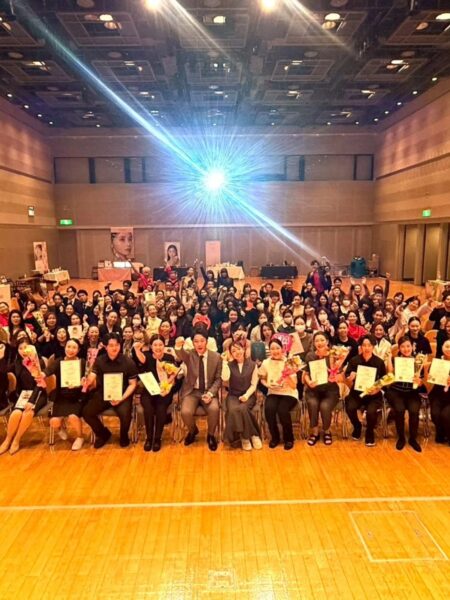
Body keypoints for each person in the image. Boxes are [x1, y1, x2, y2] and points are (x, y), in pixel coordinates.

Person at [82, 333, 138, 448]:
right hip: (104, 393)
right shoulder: (99, 360)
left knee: (125, 415)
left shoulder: (128, 362)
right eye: (111, 345)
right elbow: (92, 375)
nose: (114, 348)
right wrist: (87, 381)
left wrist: (121, 398)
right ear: (105, 347)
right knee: (87, 412)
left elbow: (133, 384)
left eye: (117, 345)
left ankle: (124, 436)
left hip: (122, 394)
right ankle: (103, 434)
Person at [174, 331, 222, 451]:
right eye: (196, 341)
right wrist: (178, 345)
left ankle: (211, 435)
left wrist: (210, 393)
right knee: (185, 412)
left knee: (214, 409)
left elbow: (218, 379)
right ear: (192, 343)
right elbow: (180, 353)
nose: (199, 344)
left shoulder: (216, 357)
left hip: (208, 390)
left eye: (202, 341)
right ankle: (192, 431)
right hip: (192, 391)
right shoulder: (190, 354)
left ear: (207, 341)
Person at [0, 340, 47, 455]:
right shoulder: (18, 363)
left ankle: (16, 440)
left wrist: (31, 401)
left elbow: (39, 384)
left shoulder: (38, 362)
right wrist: (1, 358)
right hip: (23, 394)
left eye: (25, 347)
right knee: (16, 413)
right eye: (20, 348)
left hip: (38, 394)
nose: (23, 351)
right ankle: (8, 440)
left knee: (28, 412)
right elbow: (4, 372)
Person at [134, 334, 179, 452]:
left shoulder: (169, 357)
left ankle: (158, 438)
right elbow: (141, 359)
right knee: (148, 409)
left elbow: (173, 375)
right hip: (149, 390)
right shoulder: (147, 356)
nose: (158, 347)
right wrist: (137, 349)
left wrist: (166, 385)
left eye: (160, 345)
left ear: (164, 345)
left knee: (161, 408)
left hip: (165, 390)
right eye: (155, 345)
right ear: (151, 346)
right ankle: (149, 438)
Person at [44, 339, 86, 450]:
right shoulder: (59, 361)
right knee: (54, 421)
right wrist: (41, 374)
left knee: (73, 417)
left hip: (77, 397)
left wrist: (83, 382)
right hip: (61, 397)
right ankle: (60, 429)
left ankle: (80, 437)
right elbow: (48, 370)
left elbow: (88, 379)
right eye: (68, 347)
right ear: (65, 347)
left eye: (74, 347)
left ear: (78, 350)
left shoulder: (82, 362)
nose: (70, 350)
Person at [345, 335, 387, 446]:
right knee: (349, 407)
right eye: (364, 345)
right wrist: (350, 377)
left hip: (373, 395)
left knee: (371, 411)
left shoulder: (379, 362)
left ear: (373, 347)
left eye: (369, 345)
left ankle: (369, 431)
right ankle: (357, 426)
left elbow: (383, 379)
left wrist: (377, 389)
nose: (367, 348)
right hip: (357, 393)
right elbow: (347, 377)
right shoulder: (354, 360)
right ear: (361, 347)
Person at [385, 336, 424, 452]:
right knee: (399, 409)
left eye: (408, 346)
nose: (406, 349)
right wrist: (389, 359)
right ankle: (401, 437)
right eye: (402, 346)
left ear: (413, 347)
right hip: (396, 392)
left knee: (414, 411)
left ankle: (413, 438)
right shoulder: (395, 360)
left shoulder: (418, 361)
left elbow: (422, 381)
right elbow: (389, 377)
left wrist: (419, 382)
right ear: (399, 348)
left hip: (412, 393)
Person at [258, 338, 298, 450]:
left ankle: (289, 438)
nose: (275, 351)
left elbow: (294, 386)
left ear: (282, 349)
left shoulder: (289, 362)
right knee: (269, 409)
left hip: (289, 393)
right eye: (272, 349)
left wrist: (287, 375)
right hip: (273, 391)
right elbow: (262, 378)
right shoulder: (266, 363)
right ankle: (275, 437)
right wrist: (267, 385)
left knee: (282, 410)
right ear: (269, 350)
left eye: (277, 348)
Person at [222, 342, 262, 450]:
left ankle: (251, 435)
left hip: (248, 395)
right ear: (231, 354)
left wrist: (246, 396)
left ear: (244, 349)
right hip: (233, 395)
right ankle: (247, 437)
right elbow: (225, 378)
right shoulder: (229, 365)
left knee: (243, 408)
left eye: (238, 349)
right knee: (233, 410)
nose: (237, 352)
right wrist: (224, 362)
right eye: (233, 351)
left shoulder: (253, 365)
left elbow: (254, 385)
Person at [303, 332, 340, 446]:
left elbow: (340, 375)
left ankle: (327, 431)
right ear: (314, 343)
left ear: (327, 341)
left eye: (322, 340)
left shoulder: (334, 355)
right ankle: (315, 432)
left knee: (325, 406)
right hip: (313, 390)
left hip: (330, 390)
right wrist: (309, 382)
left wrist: (334, 376)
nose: (319, 343)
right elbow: (305, 374)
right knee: (313, 404)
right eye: (317, 341)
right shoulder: (310, 356)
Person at [428, 339, 450, 444]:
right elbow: (429, 379)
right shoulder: (436, 362)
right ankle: (441, 433)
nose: (449, 349)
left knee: (445, 415)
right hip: (437, 394)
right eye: (447, 346)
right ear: (442, 348)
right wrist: (430, 376)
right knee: (435, 414)